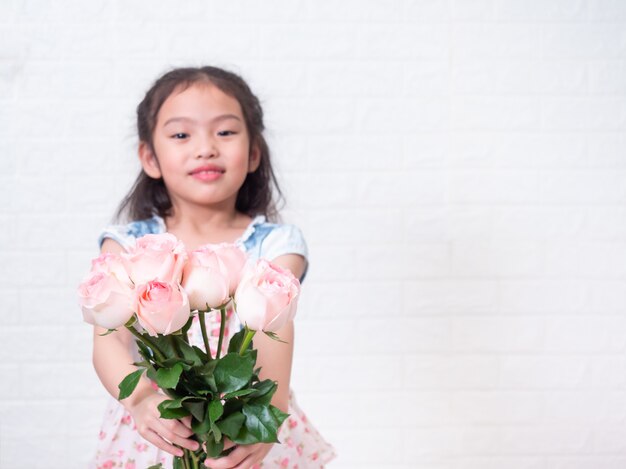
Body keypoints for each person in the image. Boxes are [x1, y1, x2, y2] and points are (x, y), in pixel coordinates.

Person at [89, 66, 336, 469]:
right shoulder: (128, 247)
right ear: (150, 157)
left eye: (225, 132)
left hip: (245, 423)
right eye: (181, 134)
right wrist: (141, 400)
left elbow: (271, 330)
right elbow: (109, 339)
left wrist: (265, 419)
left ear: (254, 153)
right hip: (160, 426)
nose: (205, 148)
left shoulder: (275, 245)